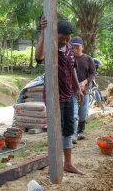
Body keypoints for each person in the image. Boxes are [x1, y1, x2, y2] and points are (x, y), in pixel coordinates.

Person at [35, 18, 84, 175]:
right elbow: (38, 57)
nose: (65, 41)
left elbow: (73, 69)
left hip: (68, 95)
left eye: (67, 38)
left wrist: (78, 89)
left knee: (69, 129)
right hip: (53, 96)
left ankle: (68, 163)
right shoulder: (50, 47)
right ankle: (56, 162)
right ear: (55, 35)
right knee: (56, 129)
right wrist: (43, 33)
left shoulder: (69, 48)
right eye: (62, 38)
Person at [70, 36, 96, 142]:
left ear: (82, 47)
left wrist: (85, 82)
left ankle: (80, 131)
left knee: (83, 113)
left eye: (77, 47)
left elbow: (93, 73)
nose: (75, 50)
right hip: (72, 91)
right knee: (73, 113)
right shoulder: (69, 59)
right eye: (73, 47)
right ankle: (73, 134)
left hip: (84, 91)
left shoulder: (88, 59)